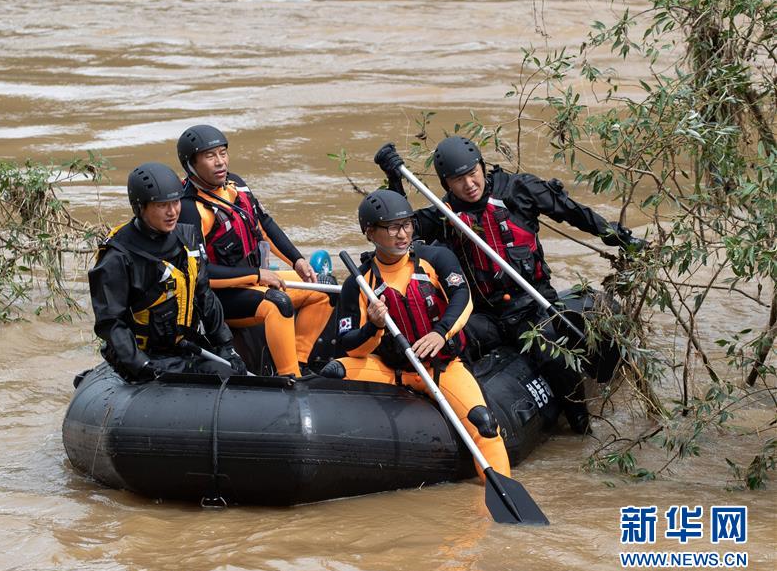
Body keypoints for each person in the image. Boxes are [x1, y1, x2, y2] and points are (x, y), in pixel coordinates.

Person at [375, 138, 647, 433]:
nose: (469, 184)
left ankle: (581, 426)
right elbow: (399, 227)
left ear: (482, 165)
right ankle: (458, 415)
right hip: (486, 316)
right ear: (446, 183)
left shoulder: (520, 190)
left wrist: (619, 238)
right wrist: (394, 178)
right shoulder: (444, 214)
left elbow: (573, 212)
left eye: (473, 173)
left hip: (533, 307)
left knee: (553, 358)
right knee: (450, 345)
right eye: (458, 179)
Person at [328, 189, 511, 480]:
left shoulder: (435, 259)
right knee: (333, 372)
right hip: (391, 370)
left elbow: (463, 298)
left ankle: (500, 489)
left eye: (407, 224)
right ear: (370, 233)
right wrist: (374, 326)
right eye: (392, 227)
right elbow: (351, 348)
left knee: (484, 423)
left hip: (441, 367)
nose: (402, 234)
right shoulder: (359, 283)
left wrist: (440, 333)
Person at [176, 125, 333, 377]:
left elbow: (265, 226)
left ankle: (302, 361)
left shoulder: (236, 185)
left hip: (254, 279)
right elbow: (200, 273)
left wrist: (297, 260)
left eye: (223, 153)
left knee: (324, 288)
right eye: (210, 156)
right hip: (222, 296)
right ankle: (290, 377)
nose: (220, 162)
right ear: (191, 164)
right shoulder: (188, 208)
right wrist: (257, 275)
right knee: (277, 303)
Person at [88, 162, 247, 381]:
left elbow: (204, 296)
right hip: (144, 357)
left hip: (184, 348)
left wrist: (225, 344)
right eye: (162, 205)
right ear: (140, 207)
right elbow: (110, 322)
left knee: (229, 375)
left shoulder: (187, 238)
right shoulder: (118, 256)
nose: (172, 212)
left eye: (176, 202)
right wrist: (140, 364)